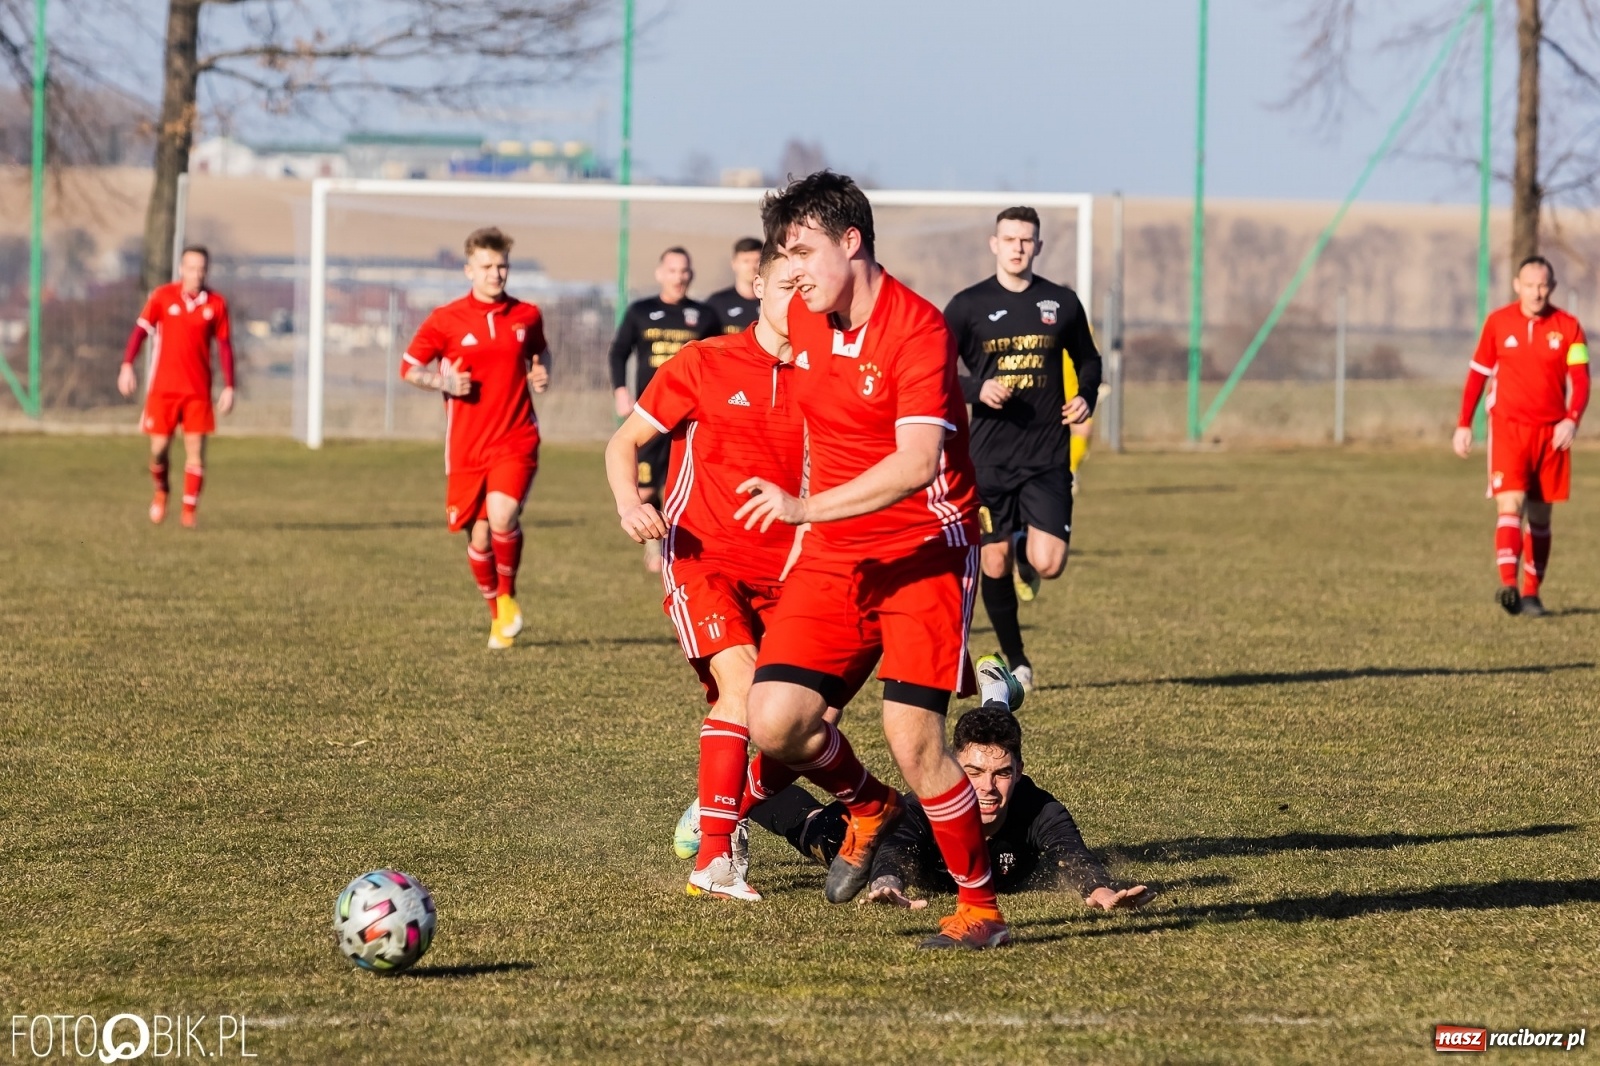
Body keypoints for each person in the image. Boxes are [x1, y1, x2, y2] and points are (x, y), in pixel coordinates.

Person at [735, 171, 1016, 950]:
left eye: (806, 250)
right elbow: (763, 337)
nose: (794, 269)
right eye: (783, 254)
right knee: (776, 721)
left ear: (852, 242)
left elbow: (918, 461)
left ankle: (981, 911)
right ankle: (866, 806)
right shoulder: (802, 310)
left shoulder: (917, 328)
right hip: (836, 551)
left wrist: (801, 508)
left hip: (924, 550)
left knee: (913, 736)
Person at [604, 245, 806, 901]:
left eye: (809, 287)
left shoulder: (827, 374)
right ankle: (715, 859)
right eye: (784, 286)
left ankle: (721, 808)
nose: (796, 300)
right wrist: (631, 502)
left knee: (797, 723)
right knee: (743, 688)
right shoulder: (705, 361)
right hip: (703, 560)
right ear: (756, 285)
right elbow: (624, 441)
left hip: (795, 573)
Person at [751, 707, 1149, 911]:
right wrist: (886, 881)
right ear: (953, 768)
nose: (988, 788)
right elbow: (896, 846)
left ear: (1020, 771)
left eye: (1002, 773)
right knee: (816, 829)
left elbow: (1071, 854)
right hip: (872, 839)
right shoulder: (924, 804)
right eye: (974, 772)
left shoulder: (1040, 809)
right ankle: (729, 798)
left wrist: (1099, 889)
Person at [945, 207, 1101, 691]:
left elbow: (1089, 360)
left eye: (1026, 240)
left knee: (1050, 563)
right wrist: (976, 390)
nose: (1017, 247)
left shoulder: (1061, 302)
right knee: (991, 563)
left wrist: (1084, 397)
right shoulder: (967, 306)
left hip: (1047, 454)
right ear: (994, 243)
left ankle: (1023, 549)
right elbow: (935, 368)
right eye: (1009, 238)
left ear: (1038, 246)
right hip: (987, 458)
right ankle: (1017, 660)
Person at [400, 227, 551, 649]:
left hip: (516, 437)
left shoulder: (526, 314)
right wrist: (442, 381)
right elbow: (409, 368)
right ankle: (497, 614)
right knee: (479, 536)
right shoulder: (445, 319)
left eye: (502, 266)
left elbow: (540, 352)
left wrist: (541, 370)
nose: (496, 274)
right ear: (469, 270)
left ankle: (508, 597)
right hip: (466, 445)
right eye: (487, 266)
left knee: (502, 516)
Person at [1454, 255, 1589, 616]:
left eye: (1543, 285)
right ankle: (1508, 586)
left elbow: (1580, 379)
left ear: (1553, 287)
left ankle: (1532, 594)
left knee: (1541, 518)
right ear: (1517, 286)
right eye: (1529, 285)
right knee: (1509, 505)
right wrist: (1464, 423)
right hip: (1509, 429)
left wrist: (1572, 419)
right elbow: (1477, 375)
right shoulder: (1498, 323)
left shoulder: (1569, 326)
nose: (1536, 292)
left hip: (1552, 434)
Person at [608, 247, 718, 572]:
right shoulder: (641, 311)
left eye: (684, 271)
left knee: (681, 486)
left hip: (688, 419)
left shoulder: (705, 315)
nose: (679, 277)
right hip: (650, 416)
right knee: (643, 489)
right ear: (660, 274)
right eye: (672, 270)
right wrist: (621, 392)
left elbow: (714, 362)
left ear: (691, 275)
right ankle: (656, 543)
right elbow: (618, 352)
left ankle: (680, 548)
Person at [117, 245, 235, 528]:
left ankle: (188, 513)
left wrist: (230, 386)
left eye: (201, 268)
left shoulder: (216, 303)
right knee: (159, 449)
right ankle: (161, 491)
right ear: (181, 269)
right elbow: (139, 332)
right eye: (191, 267)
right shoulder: (162, 297)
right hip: (163, 390)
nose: (196, 273)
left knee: (196, 450)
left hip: (197, 391)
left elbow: (225, 346)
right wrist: (126, 365)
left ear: (207, 270)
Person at [704, 237, 763, 335]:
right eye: (746, 261)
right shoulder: (717, 304)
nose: (752, 267)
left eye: (757, 261)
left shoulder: (772, 303)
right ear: (734, 264)